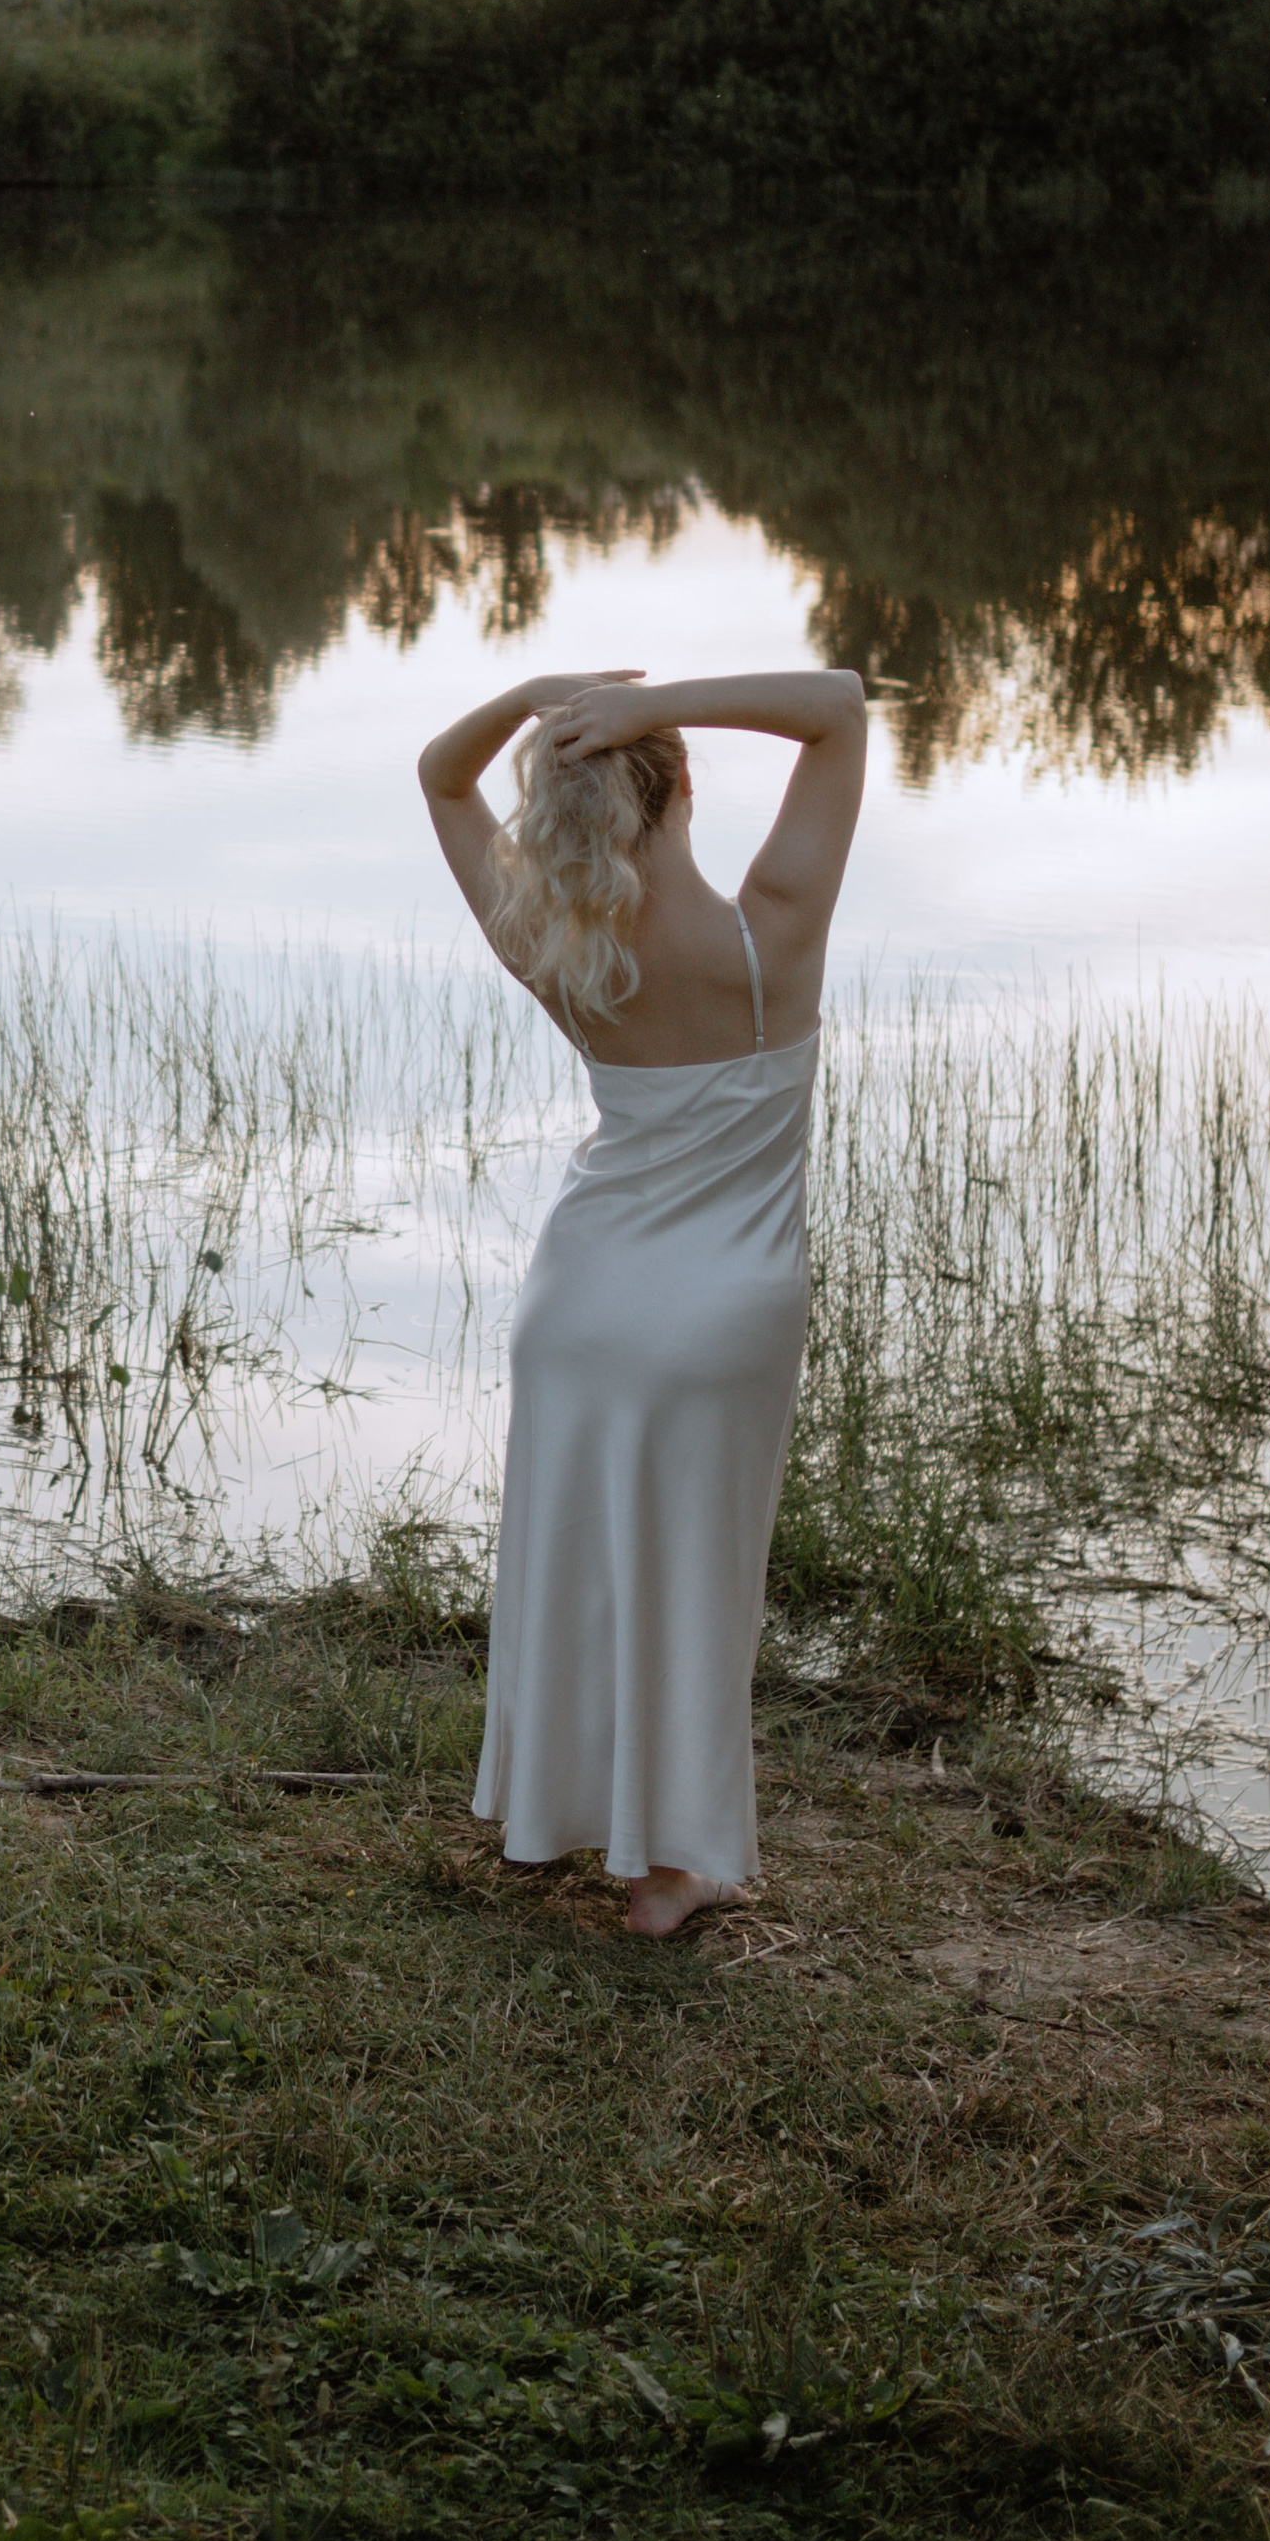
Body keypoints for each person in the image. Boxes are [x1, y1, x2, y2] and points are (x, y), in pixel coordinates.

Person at [417, 667, 868, 1936]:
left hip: (582, 1297)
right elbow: (837, 706)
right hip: (721, 1310)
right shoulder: (766, 930)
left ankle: (551, 1814)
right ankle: (673, 1869)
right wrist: (645, 701)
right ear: (675, 781)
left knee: (579, 1565)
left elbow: (437, 777)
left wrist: (521, 700)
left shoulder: (551, 937)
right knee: (695, 1579)